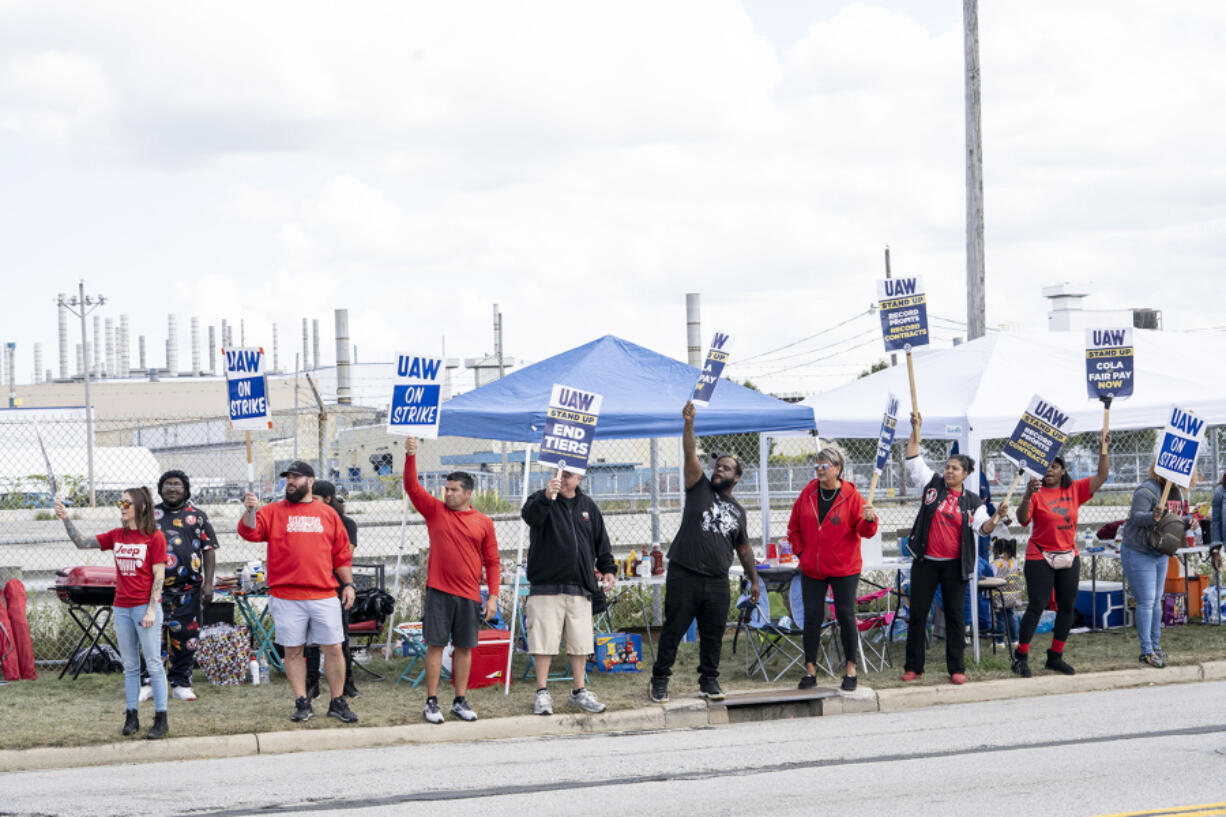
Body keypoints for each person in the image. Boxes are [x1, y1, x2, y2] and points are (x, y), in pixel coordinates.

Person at [650, 401, 760, 704]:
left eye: (726, 468)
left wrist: (754, 579)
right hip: (685, 573)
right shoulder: (698, 488)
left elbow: (744, 547)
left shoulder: (738, 511)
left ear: (736, 478)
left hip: (717, 580)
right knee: (673, 631)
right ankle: (660, 680)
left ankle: (709, 681)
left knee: (713, 635)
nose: (719, 470)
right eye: (718, 466)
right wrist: (689, 424)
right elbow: (689, 453)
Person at [238, 460, 358, 724]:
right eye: (287, 478)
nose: (290, 482)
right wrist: (250, 511)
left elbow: (341, 554)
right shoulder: (272, 511)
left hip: (324, 594)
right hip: (286, 595)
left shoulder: (327, 514)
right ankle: (302, 702)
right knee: (293, 651)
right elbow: (251, 533)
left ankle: (337, 701)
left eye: (296, 477)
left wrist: (348, 584)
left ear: (310, 481)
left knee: (334, 649)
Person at [55, 488, 170, 739]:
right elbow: (81, 542)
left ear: (140, 507)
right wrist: (66, 518)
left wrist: (152, 607)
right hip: (122, 607)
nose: (122, 506)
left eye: (126, 503)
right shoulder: (117, 535)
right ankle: (131, 717)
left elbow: (159, 574)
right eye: (120, 503)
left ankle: (161, 719)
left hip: (145, 607)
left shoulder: (154, 537)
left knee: (152, 663)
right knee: (130, 665)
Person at [901, 411, 1006, 685]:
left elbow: (983, 528)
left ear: (966, 474)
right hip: (926, 562)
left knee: (956, 617)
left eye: (955, 468)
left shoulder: (973, 502)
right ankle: (914, 666)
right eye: (947, 466)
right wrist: (916, 429)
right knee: (918, 614)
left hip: (954, 566)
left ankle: (957, 668)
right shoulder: (931, 484)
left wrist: (996, 517)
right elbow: (913, 457)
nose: (949, 471)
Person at [403, 437, 500, 724]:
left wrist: (492, 596)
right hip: (439, 592)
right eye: (446, 489)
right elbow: (411, 487)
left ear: (468, 493)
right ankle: (432, 702)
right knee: (435, 645)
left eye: (454, 490)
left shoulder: (483, 522)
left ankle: (459, 700)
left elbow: (493, 562)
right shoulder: (435, 511)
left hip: (469, 595)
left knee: (465, 647)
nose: (448, 494)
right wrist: (411, 455)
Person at [1011, 431, 1110, 677]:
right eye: (1045, 467)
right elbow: (1022, 520)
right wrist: (1026, 495)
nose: (1049, 471)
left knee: (1067, 606)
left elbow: (1102, 475)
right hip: (1040, 555)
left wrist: (1103, 449)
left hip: (1068, 555)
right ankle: (1020, 657)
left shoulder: (1076, 490)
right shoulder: (1036, 492)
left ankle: (1055, 656)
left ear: (1063, 470)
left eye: (1054, 466)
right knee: (1037, 605)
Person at [521, 469, 617, 715]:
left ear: (579, 479)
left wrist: (608, 569)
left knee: (580, 642)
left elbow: (601, 542)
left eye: (569, 475)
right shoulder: (540, 500)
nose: (563, 479)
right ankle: (542, 692)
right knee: (543, 641)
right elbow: (530, 517)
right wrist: (546, 497)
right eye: (560, 474)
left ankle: (579, 691)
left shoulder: (588, 506)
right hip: (546, 586)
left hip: (580, 586)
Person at [786, 445, 877, 692]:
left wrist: (870, 520)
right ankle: (810, 670)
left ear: (837, 468)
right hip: (812, 568)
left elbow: (865, 532)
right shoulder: (807, 494)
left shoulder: (851, 496)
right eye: (817, 464)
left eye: (824, 465)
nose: (819, 469)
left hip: (844, 567)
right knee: (812, 617)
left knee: (846, 614)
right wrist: (802, 553)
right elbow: (793, 527)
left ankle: (850, 670)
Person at [138, 469, 217, 703]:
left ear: (186, 489)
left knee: (186, 638)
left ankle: (181, 683)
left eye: (177, 484)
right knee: (152, 638)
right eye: (167, 485)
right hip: (154, 592)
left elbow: (209, 551)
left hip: (189, 591)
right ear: (160, 489)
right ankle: (149, 683)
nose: (172, 489)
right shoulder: (149, 516)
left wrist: (209, 583)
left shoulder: (199, 516)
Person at [1120, 460, 1191, 668]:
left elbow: (1174, 520)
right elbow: (1136, 517)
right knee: (1146, 601)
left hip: (1159, 552)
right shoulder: (1147, 490)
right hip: (1139, 551)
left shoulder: (1176, 493)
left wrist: (1188, 522)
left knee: (1156, 600)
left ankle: (1155, 645)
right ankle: (1147, 650)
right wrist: (1153, 516)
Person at [304, 479, 359, 701]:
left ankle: (347, 684)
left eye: (315, 499)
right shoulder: (308, 520)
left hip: (335, 586)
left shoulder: (346, 523)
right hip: (311, 585)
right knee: (310, 640)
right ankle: (312, 684)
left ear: (327, 499)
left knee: (340, 638)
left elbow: (345, 554)